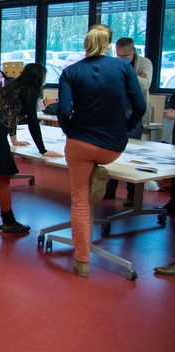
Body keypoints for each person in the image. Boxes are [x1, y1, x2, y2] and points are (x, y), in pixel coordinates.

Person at [57, 24, 145, 278]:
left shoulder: (71, 72)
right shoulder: (123, 67)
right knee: (98, 165)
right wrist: (124, 128)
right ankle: (99, 174)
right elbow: (139, 105)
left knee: (79, 200)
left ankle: (82, 262)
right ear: (108, 45)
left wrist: (70, 131)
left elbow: (63, 111)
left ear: (85, 44)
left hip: (80, 144)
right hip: (112, 146)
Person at [0, 63, 63, 234]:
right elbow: (33, 121)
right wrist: (42, 149)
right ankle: (9, 222)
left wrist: (14, 139)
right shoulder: (30, 91)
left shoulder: (10, 88)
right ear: (38, 78)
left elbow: (6, 113)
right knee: (3, 181)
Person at [104, 37, 154, 207]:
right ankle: (109, 190)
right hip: (116, 111)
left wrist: (128, 72)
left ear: (134, 51)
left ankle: (132, 194)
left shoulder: (145, 63)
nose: (122, 59)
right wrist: (132, 76)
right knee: (112, 151)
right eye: (119, 56)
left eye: (126, 56)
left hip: (134, 111)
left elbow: (145, 85)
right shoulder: (114, 63)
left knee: (132, 153)